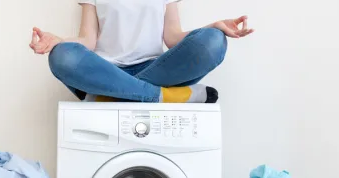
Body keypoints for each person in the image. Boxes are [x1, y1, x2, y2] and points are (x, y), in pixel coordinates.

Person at [29, 0, 254, 103]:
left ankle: (109, 98)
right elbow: (87, 41)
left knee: (214, 40)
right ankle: (162, 96)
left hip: (157, 70)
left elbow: (173, 37)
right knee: (62, 55)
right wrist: (58, 41)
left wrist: (212, 28)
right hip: (104, 73)